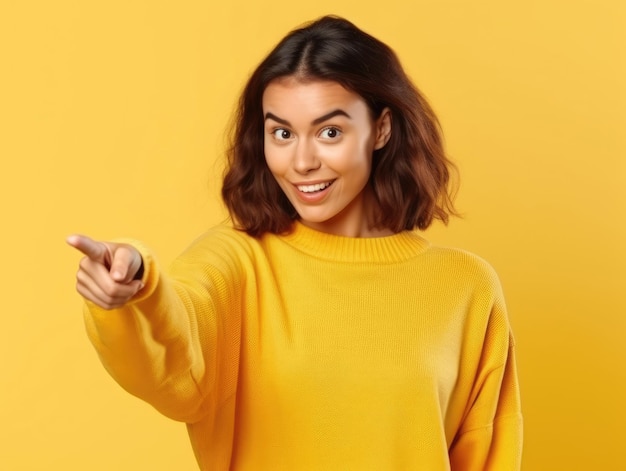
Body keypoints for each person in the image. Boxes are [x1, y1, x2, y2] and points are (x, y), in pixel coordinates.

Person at [68, 15, 522, 470]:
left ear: (381, 129)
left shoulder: (466, 287)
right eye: (282, 133)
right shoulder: (239, 260)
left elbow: (487, 455)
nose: (302, 161)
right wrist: (136, 288)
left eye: (329, 132)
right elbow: (177, 345)